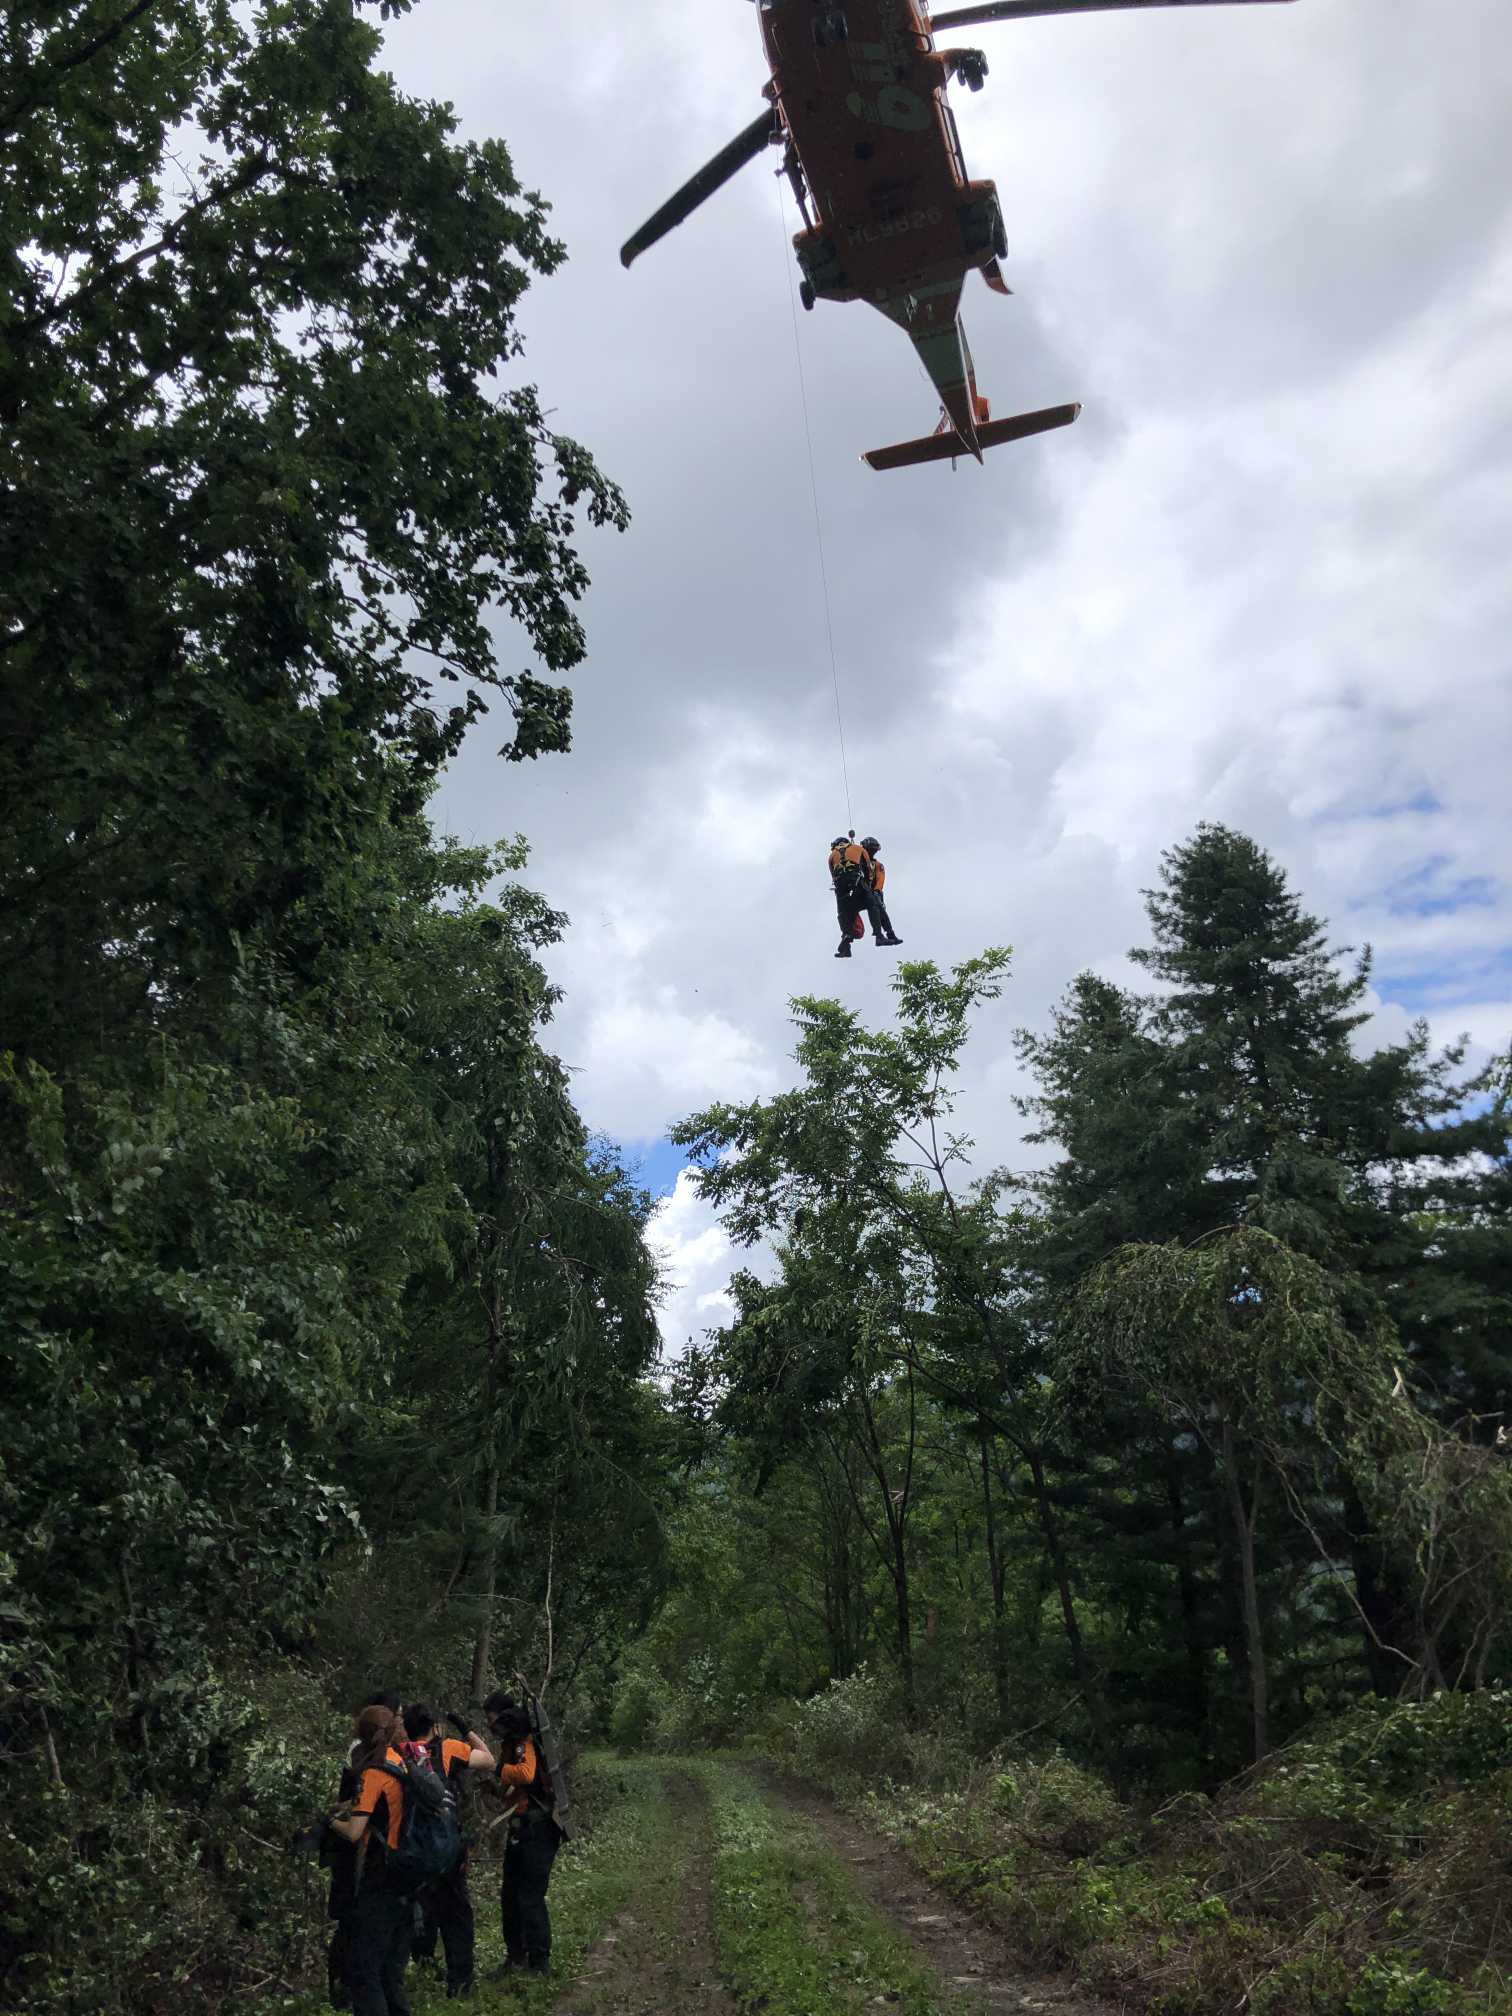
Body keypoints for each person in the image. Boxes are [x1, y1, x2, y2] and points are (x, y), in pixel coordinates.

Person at [401, 1704, 496, 2000]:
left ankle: (423, 1966)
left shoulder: (399, 1754)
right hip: (447, 1850)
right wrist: (466, 1729)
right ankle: (460, 1981)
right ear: (434, 1726)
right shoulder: (449, 1748)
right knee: (456, 1915)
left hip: (411, 1850)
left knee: (419, 1910)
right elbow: (489, 1760)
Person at [327, 1704, 413, 2016]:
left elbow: (353, 1832)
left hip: (381, 1875)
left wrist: (330, 1821)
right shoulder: (400, 1761)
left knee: (363, 1968)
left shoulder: (374, 1771)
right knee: (389, 1969)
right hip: (407, 1870)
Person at [482, 1693, 562, 1978]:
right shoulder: (511, 1744)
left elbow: (526, 1775)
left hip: (538, 1830)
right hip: (521, 1828)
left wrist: (497, 1769)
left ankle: (540, 1963)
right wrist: (495, 1789)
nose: (490, 1725)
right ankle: (515, 1957)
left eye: (491, 1718)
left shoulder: (524, 1742)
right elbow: (516, 1790)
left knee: (529, 1896)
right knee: (510, 1896)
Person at [828, 831, 873, 959]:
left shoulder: (831, 856)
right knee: (871, 903)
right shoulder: (858, 848)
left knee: (842, 913)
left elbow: (833, 875)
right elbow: (868, 867)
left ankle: (846, 942)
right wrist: (869, 882)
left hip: (841, 886)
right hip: (856, 881)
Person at [859, 837, 902, 947]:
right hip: (859, 891)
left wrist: (877, 891)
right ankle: (881, 935)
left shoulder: (877, 865)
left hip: (872, 892)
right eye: (871, 850)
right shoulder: (857, 860)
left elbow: (880, 879)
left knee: (880, 910)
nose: (872, 852)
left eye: (874, 850)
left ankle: (889, 934)